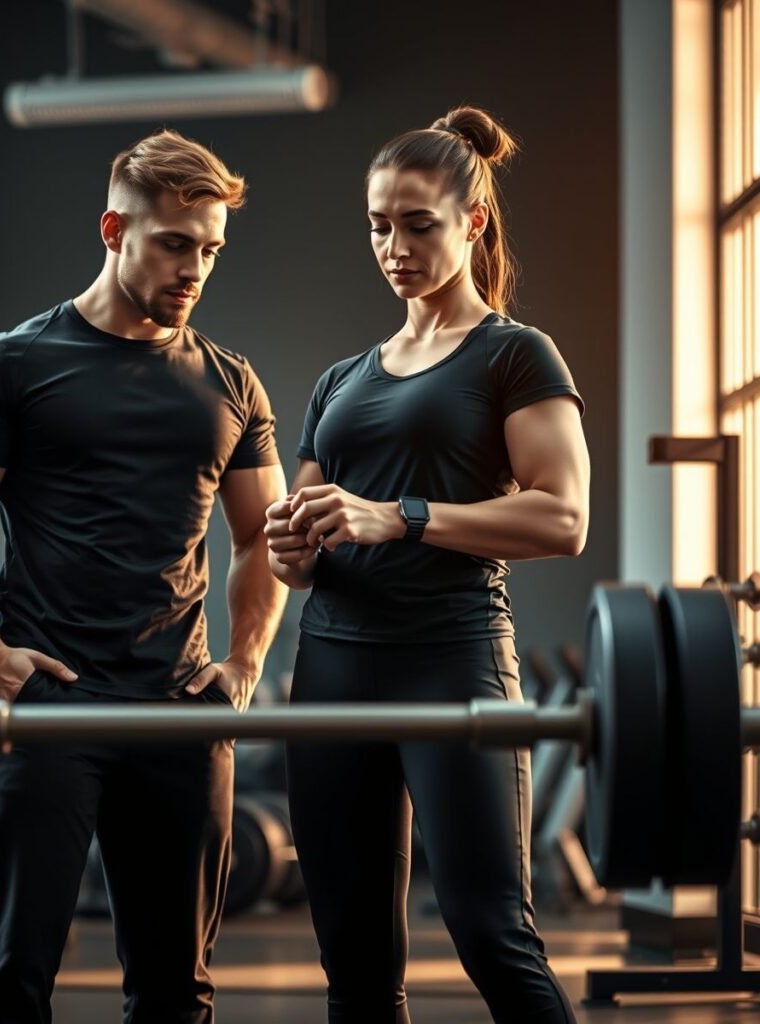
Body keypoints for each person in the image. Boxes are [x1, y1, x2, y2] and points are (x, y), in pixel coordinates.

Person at [0, 128, 288, 1024]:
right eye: (173, 243)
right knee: (11, 986)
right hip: (51, 708)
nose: (195, 267)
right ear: (113, 228)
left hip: (180, 712)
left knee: (177, 993)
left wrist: (244, 665)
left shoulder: (232, 382)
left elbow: (264, 538)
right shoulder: (13, 363)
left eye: (211, 249)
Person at [264, 106, 589, 1023]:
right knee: (355, 963)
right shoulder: (341, 379)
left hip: (451, 659)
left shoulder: (514, 355)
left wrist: (398, 516)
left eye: (417, 224)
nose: (394, 246)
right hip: (330, 667)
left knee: (492, 933)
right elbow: (303, 536)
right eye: (378, 225)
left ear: (472, 223)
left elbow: (563, 517)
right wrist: (292, 546)